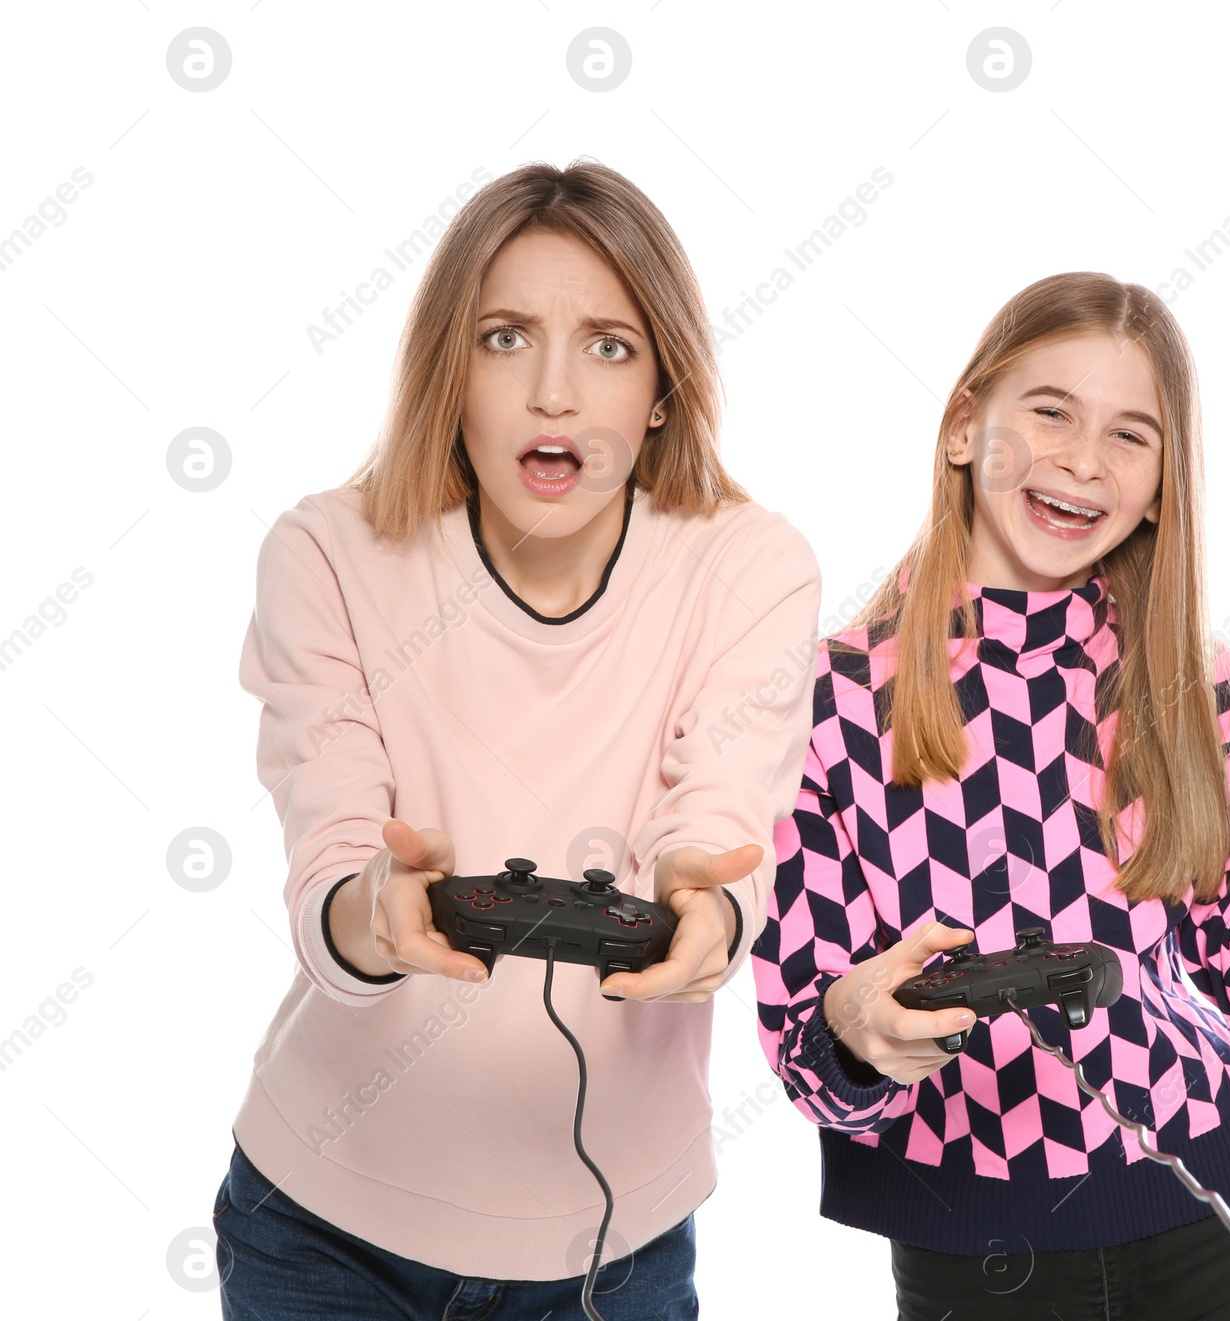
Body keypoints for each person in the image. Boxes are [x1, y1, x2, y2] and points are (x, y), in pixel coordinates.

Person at [213, 159, 822, 1321]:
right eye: (502, 338)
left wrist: (713, 912)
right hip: (321, 1233)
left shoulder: (748, 563)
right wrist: (375, 909)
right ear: (450, 373)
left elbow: (726, 811)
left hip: (614, 1250)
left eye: (607, 344)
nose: (553, 392)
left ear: (660, 390)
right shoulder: (326, 551)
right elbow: (329, 835)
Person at [751, 272, 1230, 1321]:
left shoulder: (1193, 685)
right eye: (1049, 412)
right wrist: (853, 1029)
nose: (1083, 459)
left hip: (1212, 1217)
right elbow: (813, 1055)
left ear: (1163, 485)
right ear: (961, 430)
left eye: (1131, 436)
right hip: (972, 1253)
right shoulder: (824, 702)